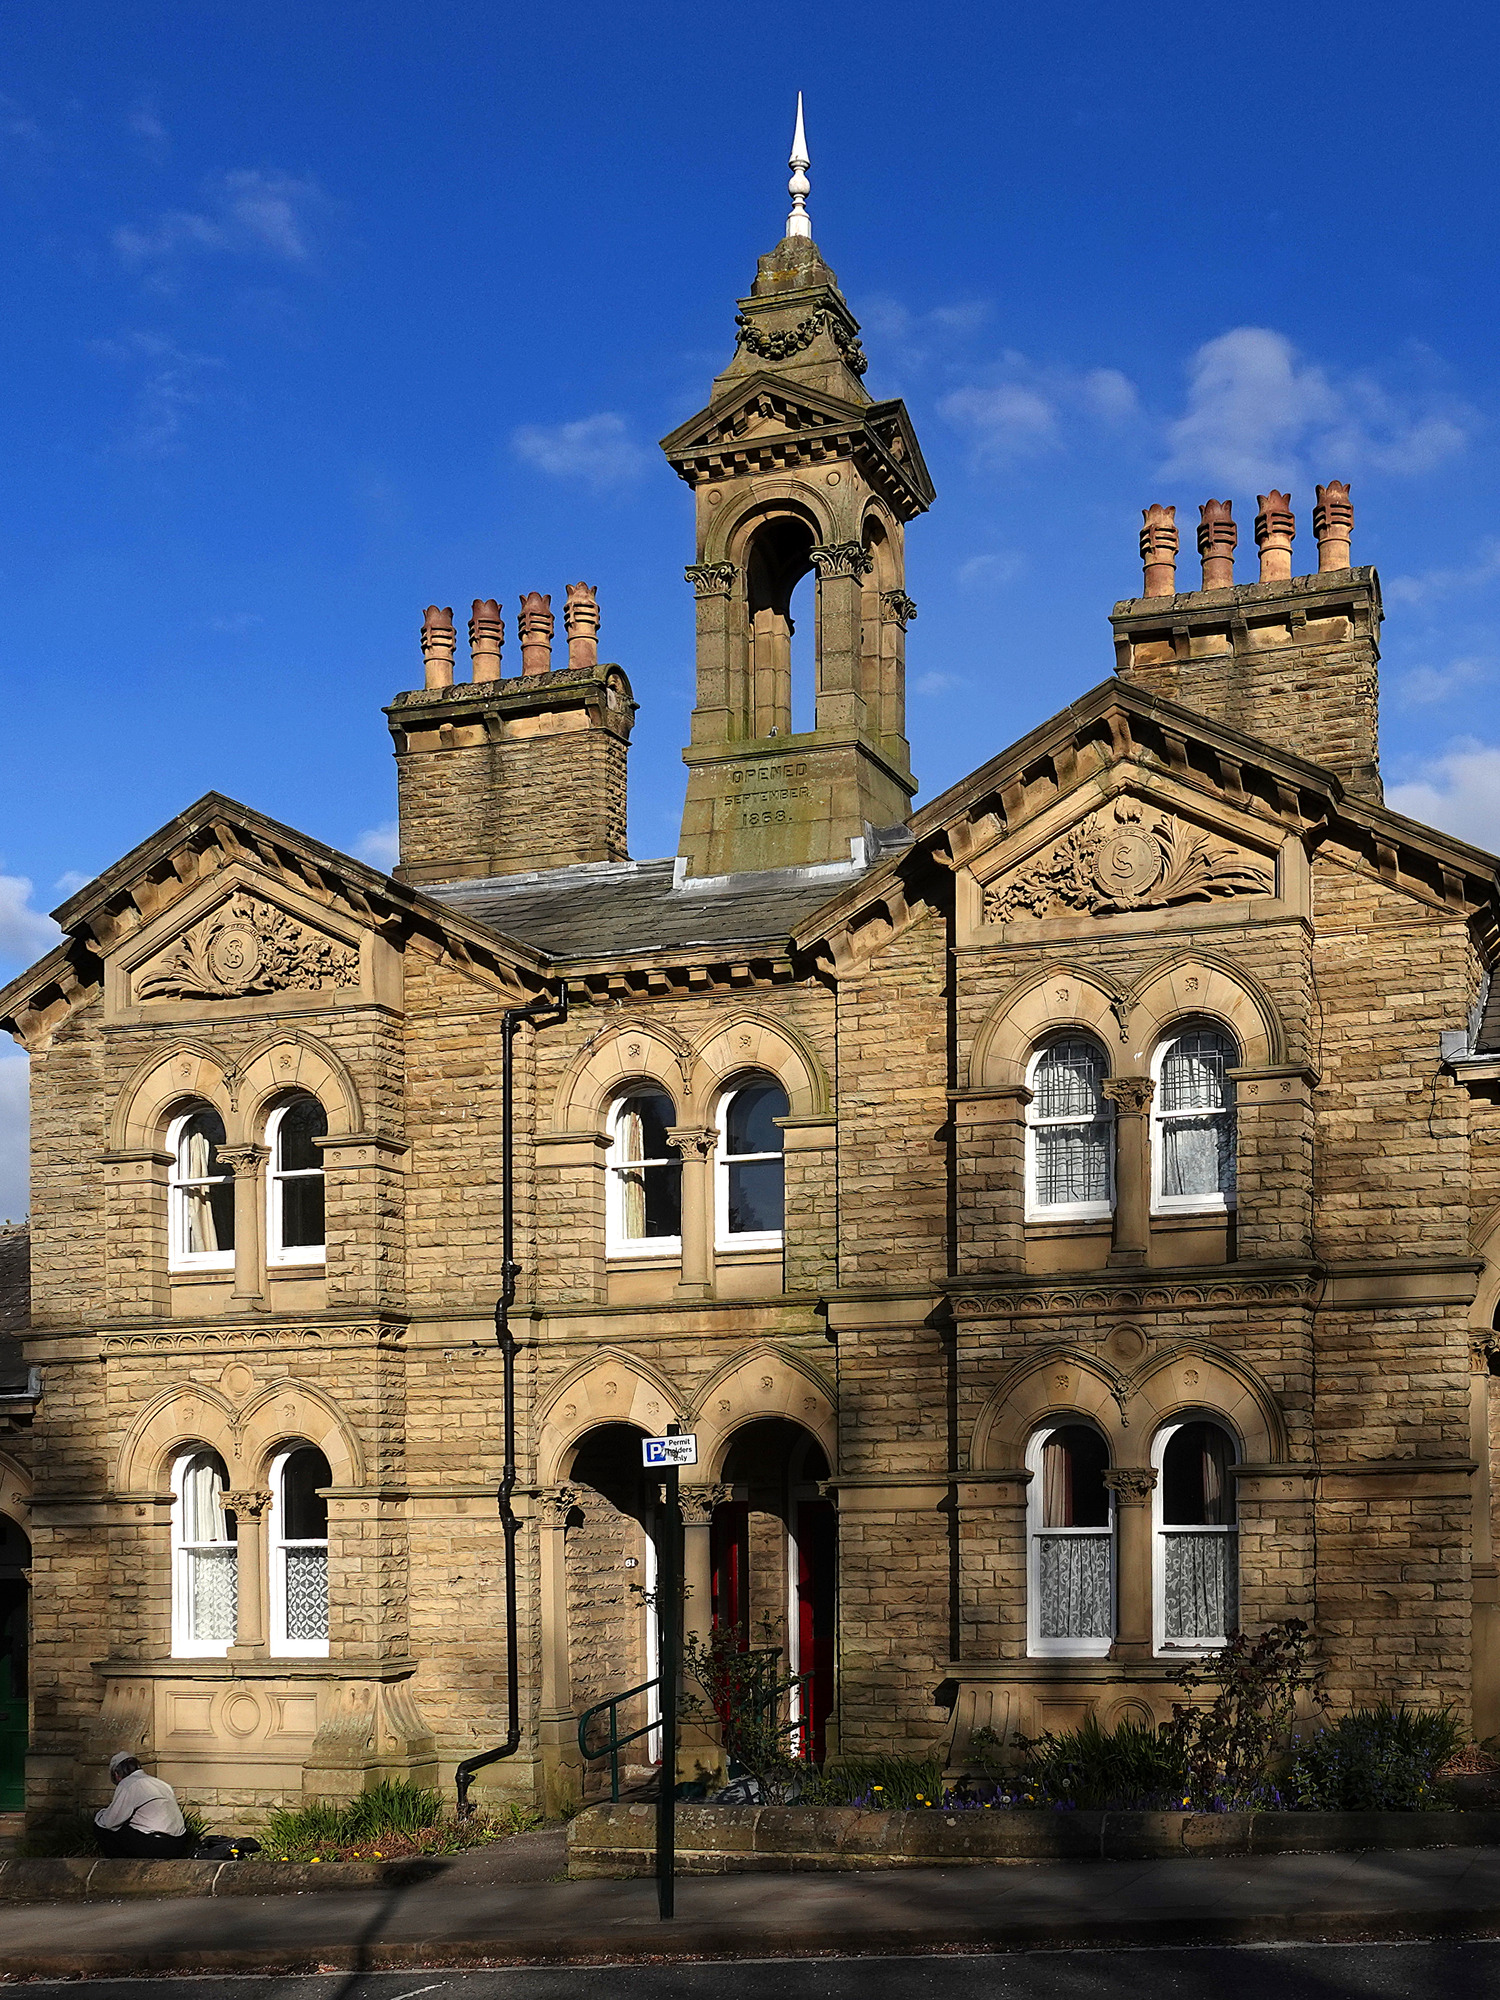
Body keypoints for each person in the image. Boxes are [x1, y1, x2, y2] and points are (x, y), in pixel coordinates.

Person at [94, 1752, 193, 1859]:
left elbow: (111, 1821)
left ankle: (119, 1866)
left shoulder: (128, 1784)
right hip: (178, 1844)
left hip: (156, 1845)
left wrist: (99, 1814)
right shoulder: (161, 1784)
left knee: (101, 1826)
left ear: (117, 1774)